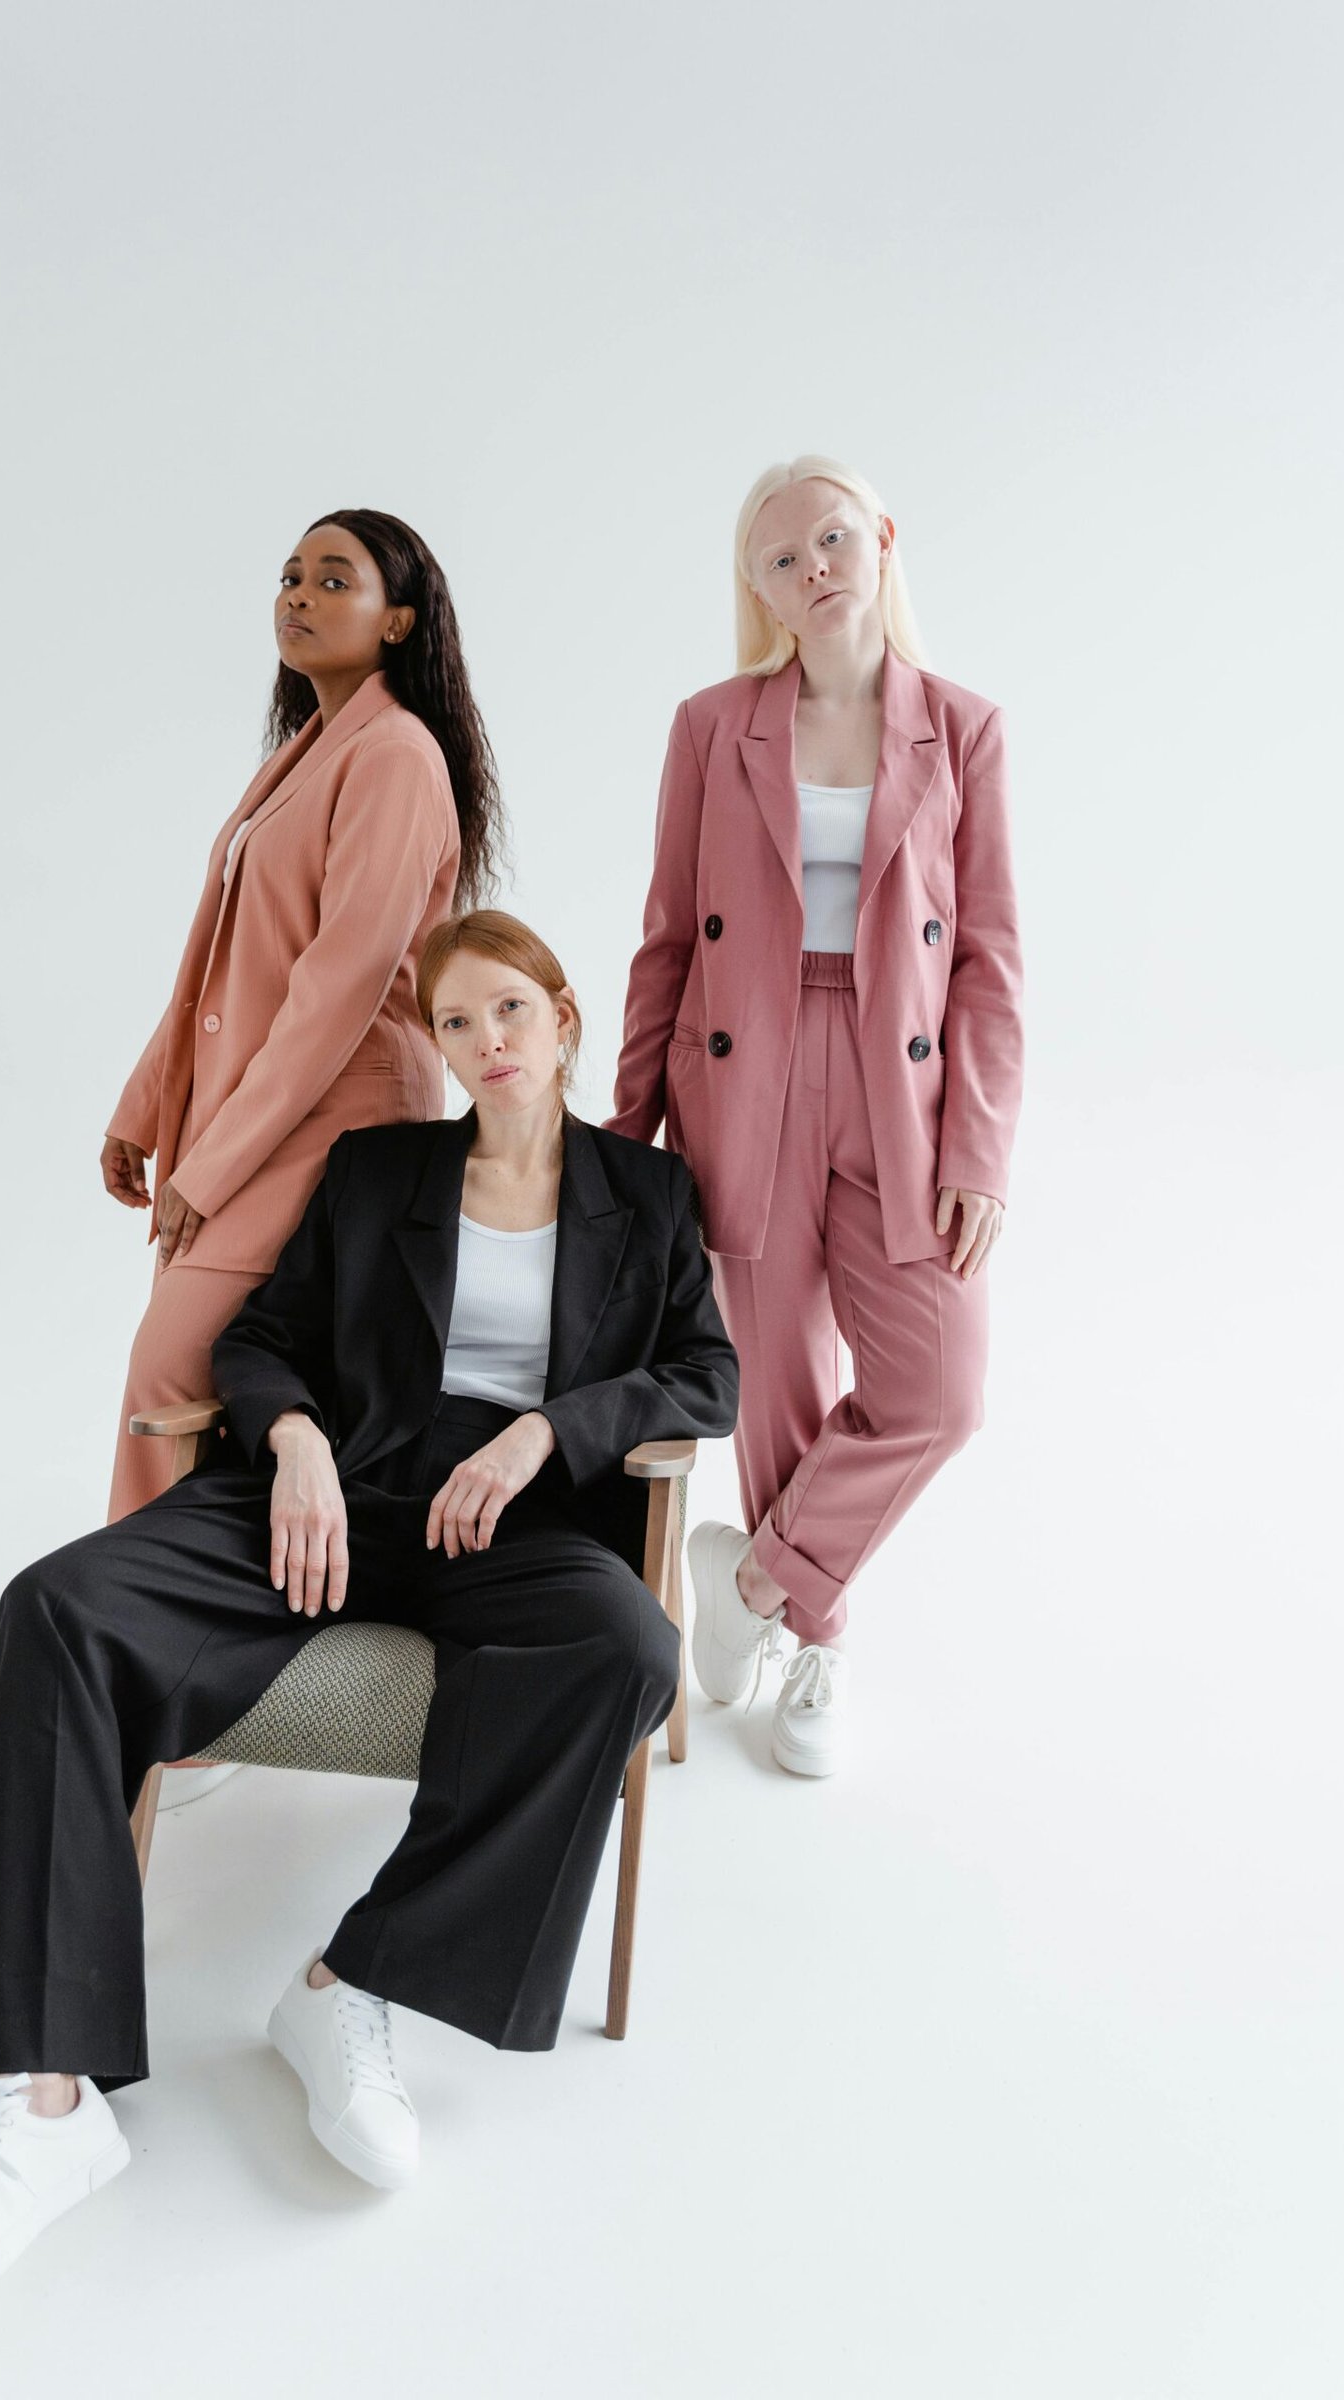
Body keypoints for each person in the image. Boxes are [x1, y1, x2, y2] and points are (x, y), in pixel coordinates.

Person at [0, 910, 738, 2341]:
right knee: (58, 1608)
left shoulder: (647, 1197)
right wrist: (296, 1447)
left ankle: (352, 1983)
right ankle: (41, 2098)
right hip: (332, 1498)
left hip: (512, 1524)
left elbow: (706, 1375)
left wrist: (546, 1437)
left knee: (631, 1651)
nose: (487, 1045)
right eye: (457, 1024)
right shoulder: (380, 1168)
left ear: (566, 1019)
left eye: (512, 1011)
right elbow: (264, 1339)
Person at [608, 453, 1024, 1777]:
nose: (816, 570)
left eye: (834, 539)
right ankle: (819, 1648)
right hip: (742, 1069)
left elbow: (992, 966)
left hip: (899, 1085)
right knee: (782, 1378)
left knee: (938, 1388)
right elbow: (666, 942)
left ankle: (752, 1590)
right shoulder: (711, 725)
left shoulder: (961, 727)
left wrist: (982, 1153)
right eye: (784, 559)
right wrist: (624, 1154)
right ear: (762, 590)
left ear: (883, 538)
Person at [100, 507, 502, 1526]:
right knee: (209, 1385)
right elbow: (215, 968)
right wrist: (145, 1110)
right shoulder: (305, 751)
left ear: (400, 621)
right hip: (250, 1113)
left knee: (171, 1367)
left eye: (334, 579)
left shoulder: (397, 755)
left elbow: (341, 987)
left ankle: (134, 1626)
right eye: (290, 576)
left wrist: (212, 1163)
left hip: (335, 1121)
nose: (299, 595)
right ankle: (178, 1619)